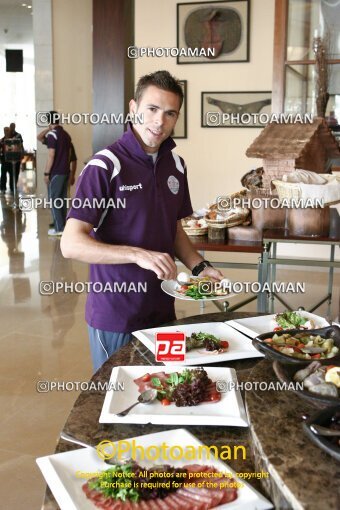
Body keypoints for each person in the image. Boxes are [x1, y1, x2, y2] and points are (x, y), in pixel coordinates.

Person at [61, 70, 223, 371]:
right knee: (118, 402)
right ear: (133, 108)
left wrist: (200, 267)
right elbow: (70, 244)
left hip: (163, 311)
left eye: (170, 113)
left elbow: (172, 228)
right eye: (152, 109)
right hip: (116, 315)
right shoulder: (104, 166)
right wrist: (137, 254)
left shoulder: (176, 165)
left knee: (164, 394)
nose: (160, 121)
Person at [39, 112, 72, 236]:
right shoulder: (66, 135)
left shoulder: (53, 135)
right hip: (65, 171)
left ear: (49, 121)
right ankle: (63, 226)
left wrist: (46, 173)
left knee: (54, 201)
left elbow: (51, 155)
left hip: (56, 172)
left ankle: (59, 229)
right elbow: (40, 137)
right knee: (62, 200)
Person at [8, 123, 23, 192]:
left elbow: (21, 145)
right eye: (11, 126)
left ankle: (14, 185)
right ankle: (11, 186)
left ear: (15, 127)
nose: (12, 127)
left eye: (13, 126)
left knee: (16, 171)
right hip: (9, 157)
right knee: (11, 172)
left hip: (17, 156)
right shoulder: (7, 135)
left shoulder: (18, 135)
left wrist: (22, 153)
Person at [0, 127, 11, 194]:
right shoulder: (1, 140)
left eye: (7, 130)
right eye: (5, 130)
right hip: (4, 160)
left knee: (12, 175)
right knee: (3, 174)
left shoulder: (12, 140)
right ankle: (3, 188)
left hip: (11, 160)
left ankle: (12, 188)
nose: (6, 132)